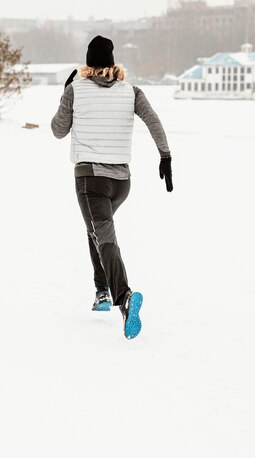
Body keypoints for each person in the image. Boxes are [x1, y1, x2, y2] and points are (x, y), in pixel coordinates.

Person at [50, 35, 173, 339]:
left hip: (91, 179)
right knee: (96, 231)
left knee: (102, 234)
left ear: (88, 62)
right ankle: (101, 292)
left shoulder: (75, 90)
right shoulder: (131, 91)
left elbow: (57, 131)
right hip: (122, 182)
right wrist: (165, 156)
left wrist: (66, 93)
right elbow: (154, 121)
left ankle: (123, 297)